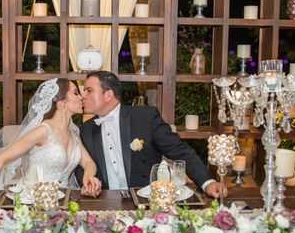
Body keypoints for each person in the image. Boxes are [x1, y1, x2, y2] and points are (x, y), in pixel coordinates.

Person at [79, 71, 224, 199]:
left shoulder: (145, 117)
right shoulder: (86, 129)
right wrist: (88, 187)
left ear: (108, 95)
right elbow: (82, 168)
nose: (82, 96)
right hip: (104, 202)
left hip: (146, 200)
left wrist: (208, 183)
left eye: (88, 90)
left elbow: (180, 151)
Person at [0, 78, 102, 197]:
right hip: (32, 199)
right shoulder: (43, 131)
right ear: (62, 102)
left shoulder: (73, 135)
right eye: (76, 93)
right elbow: (3, 156)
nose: (81, 97)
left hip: (62, 199)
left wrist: (88, 177)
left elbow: (88, 163)